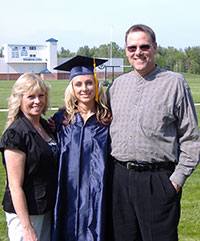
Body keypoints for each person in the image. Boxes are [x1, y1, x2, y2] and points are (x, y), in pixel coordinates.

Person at [107, 24, 200, 241]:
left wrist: (175, 182)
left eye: (144, 46)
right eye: (132, 48)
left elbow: (191, 138)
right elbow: (98, 119)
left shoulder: (174, 83)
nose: (138, 52)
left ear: (155, 48)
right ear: (126, 51)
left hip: (157, 180)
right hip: (120, 179)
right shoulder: (117, 86)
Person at [51, 55, 112, 241]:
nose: (84, 89)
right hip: (68, 192)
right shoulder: (61, 120)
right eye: (78, 84)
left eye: (89, 83)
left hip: (99, 193)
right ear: (72, 88)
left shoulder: (107, 120)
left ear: (96, 86)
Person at [0, 73, 58, 241]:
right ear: (19, 99)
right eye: (30, 97)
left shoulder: (44, 125)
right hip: (26, 213)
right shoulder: (15, 134)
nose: (37, 101)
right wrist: (27, 228)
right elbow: (14, 186)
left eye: (41, 95)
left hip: (46, 207)